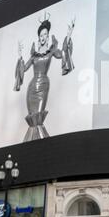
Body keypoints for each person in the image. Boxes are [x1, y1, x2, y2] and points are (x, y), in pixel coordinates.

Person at [14, 13, 75, 142]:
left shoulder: (52, 50)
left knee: (38, 120)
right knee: (32, 122)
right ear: (39, 37)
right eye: (41, 35)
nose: (43, 37)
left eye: (45, 35)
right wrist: (19, 56)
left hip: (43, 86)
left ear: (48, 36)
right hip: (31, 89)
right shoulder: (34, 55)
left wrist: (69, 36)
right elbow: (24, 69)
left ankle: (42, 147)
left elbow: (62, 54)